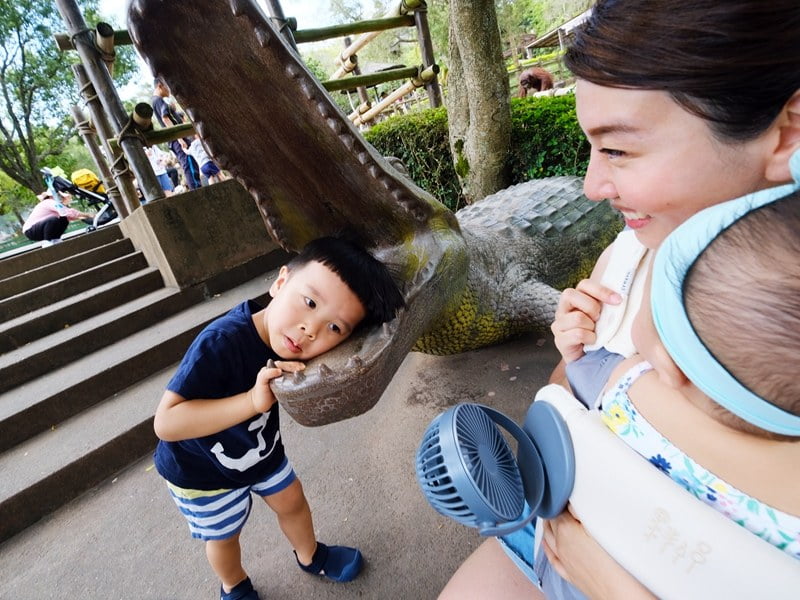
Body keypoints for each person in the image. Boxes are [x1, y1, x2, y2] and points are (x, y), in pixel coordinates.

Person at [439, 0, 800, 597]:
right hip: (555, 523)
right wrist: (572, 350)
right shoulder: (630, 253)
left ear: (786, 132)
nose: (591, 186)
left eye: (618, 149)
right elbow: (570, 399)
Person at [544, 183, 800, 597]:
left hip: (567, 568)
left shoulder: (629, 388)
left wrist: (578, 359)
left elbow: (554, 406)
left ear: (671, 364)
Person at [153, 236, 405, 600]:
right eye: (309, 302)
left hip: (261, 453)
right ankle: (234, 585)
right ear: (281, 282)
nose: (311, 329)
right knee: (224, 537)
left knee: (293, 501)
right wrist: (253, 401)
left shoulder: (298, 345)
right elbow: (166, 423)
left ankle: (310, 555)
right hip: (200, 471)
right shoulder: (220, 342)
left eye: (334, 327)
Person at [152, 77, 202, 190]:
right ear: (160, 86)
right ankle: (196, 189)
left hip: (179, 138)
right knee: (188, 163)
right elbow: (165, 119)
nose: (169, 89)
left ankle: (196, 187)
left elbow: (170, 115)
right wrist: (180, 138)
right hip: (178, 139)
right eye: (167, 86)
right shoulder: (158, 100)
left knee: (191, 162)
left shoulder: (159, 101)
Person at [22, 190, 93, 247]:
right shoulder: (48, 202)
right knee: (53, 219)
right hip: (31, 231)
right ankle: (48, 241)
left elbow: (69, 216)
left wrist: (85, 217)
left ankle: (55, 239)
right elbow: (68, 212)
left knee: (64, 220)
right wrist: (88, 215)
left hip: (41, 229)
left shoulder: (56, 206)